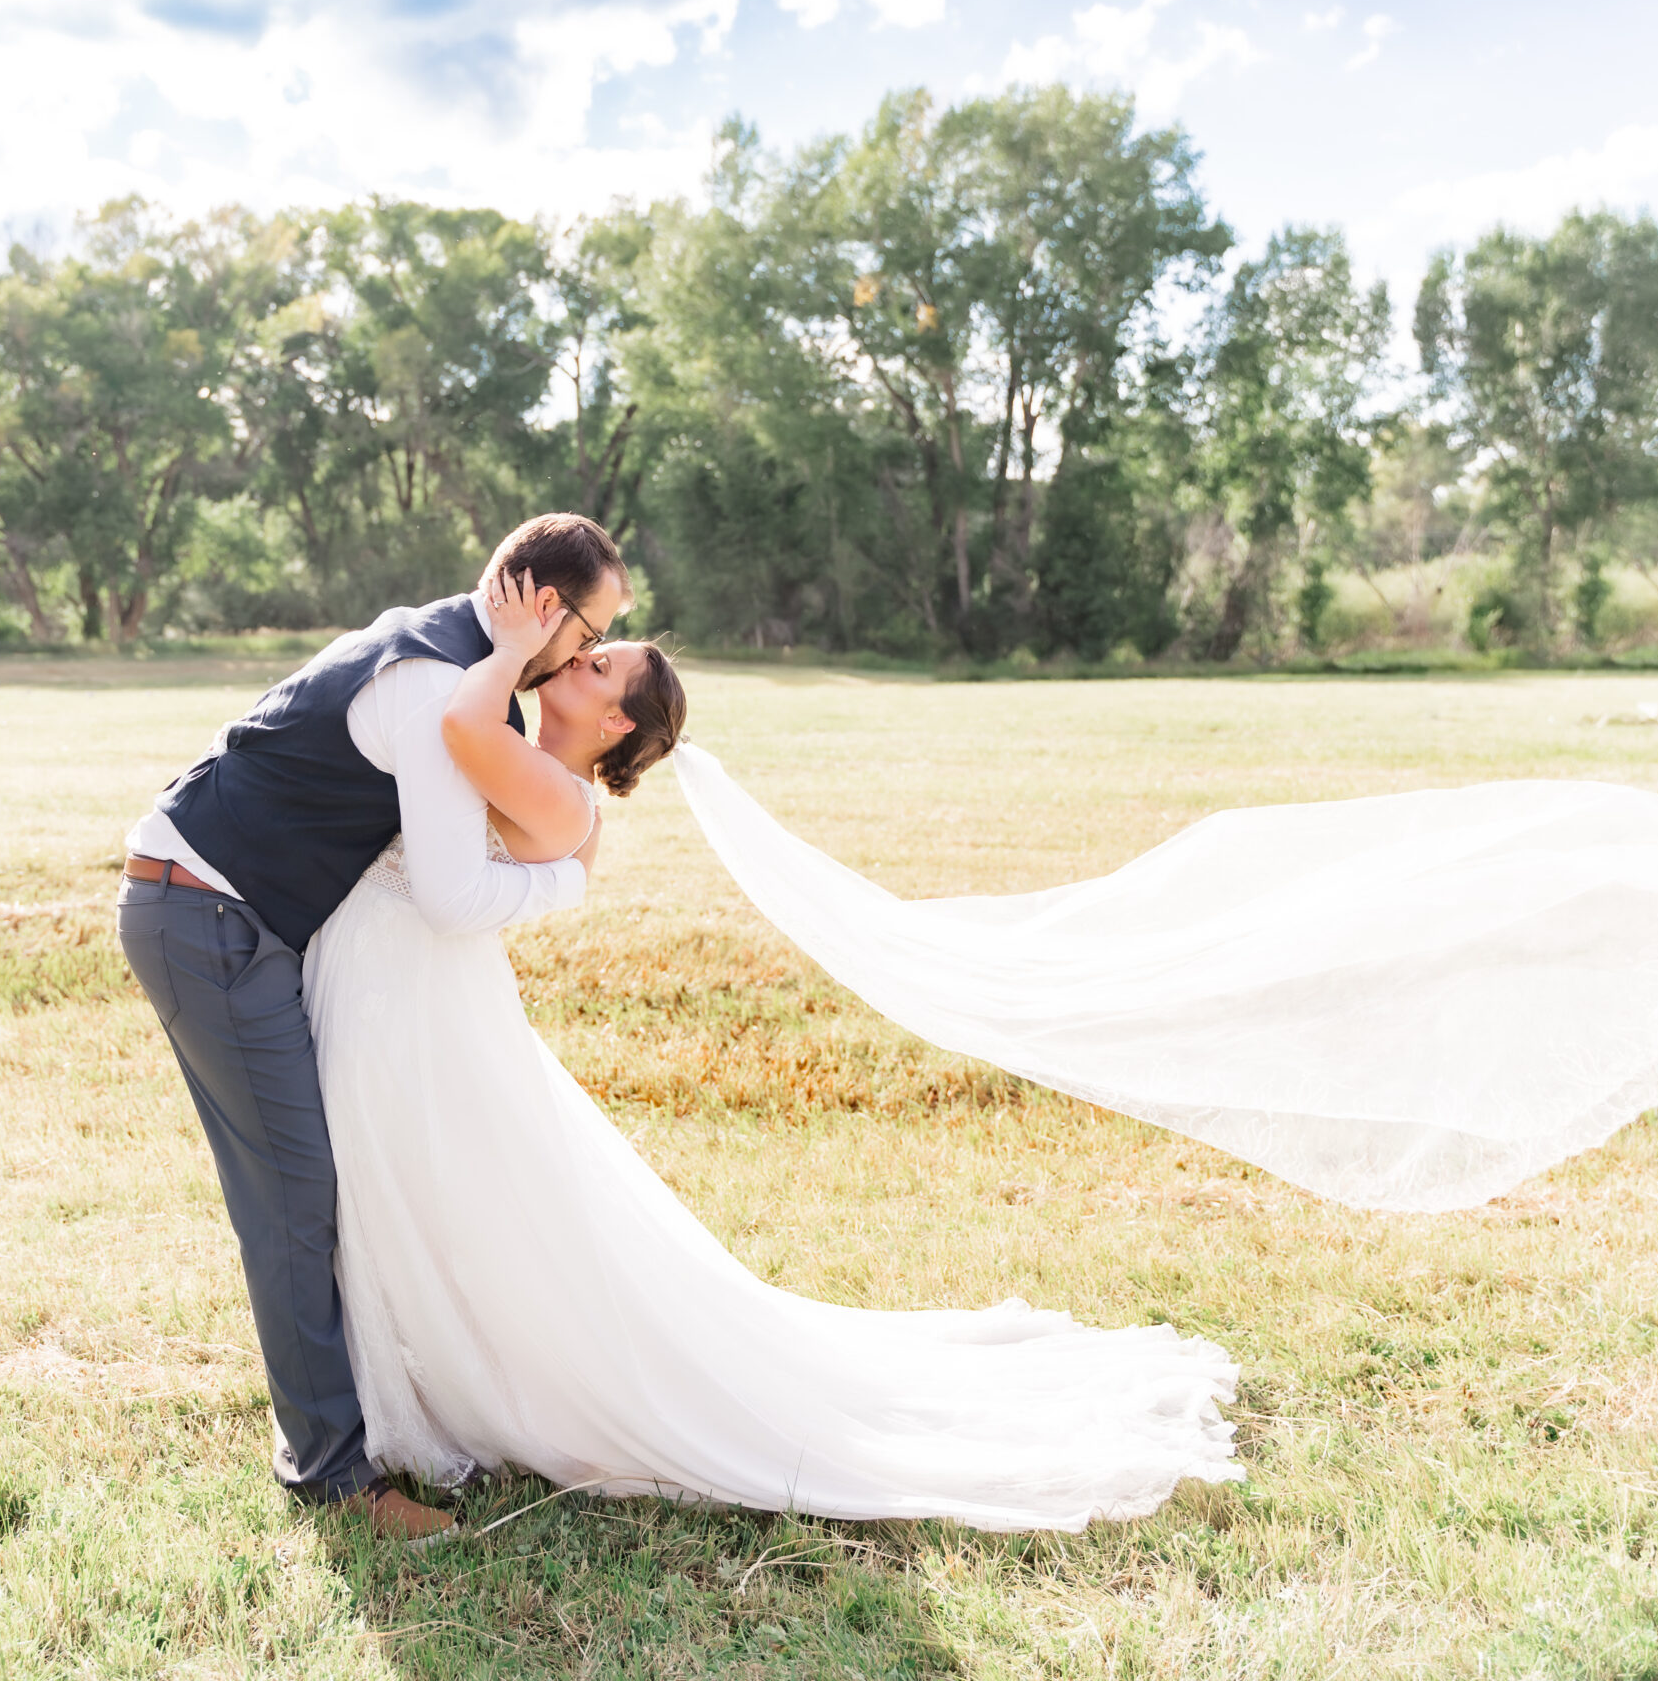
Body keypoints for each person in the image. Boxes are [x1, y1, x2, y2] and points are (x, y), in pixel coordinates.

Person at [303, 573, 1246, 1529]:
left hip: (415, 992)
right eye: (591, 648)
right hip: (410, 990)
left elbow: (460, 740)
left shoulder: (551, 783)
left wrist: (505, 644)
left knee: (433, 1188)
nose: (576, 658)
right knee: (428, 1192)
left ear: (617, 727)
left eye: (597, 663)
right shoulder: (521, 742)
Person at [116, 513, 630, 1545]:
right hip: (206, 917)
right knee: (295, 1193)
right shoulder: (439, 684)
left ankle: (351, 1421)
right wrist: (564, 883)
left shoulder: (441, 646)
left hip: (224, 909)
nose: (583, 653)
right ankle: (333, 1477)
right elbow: (447, 895)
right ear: (541, 607)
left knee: (314, 1180)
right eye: (588, 630)